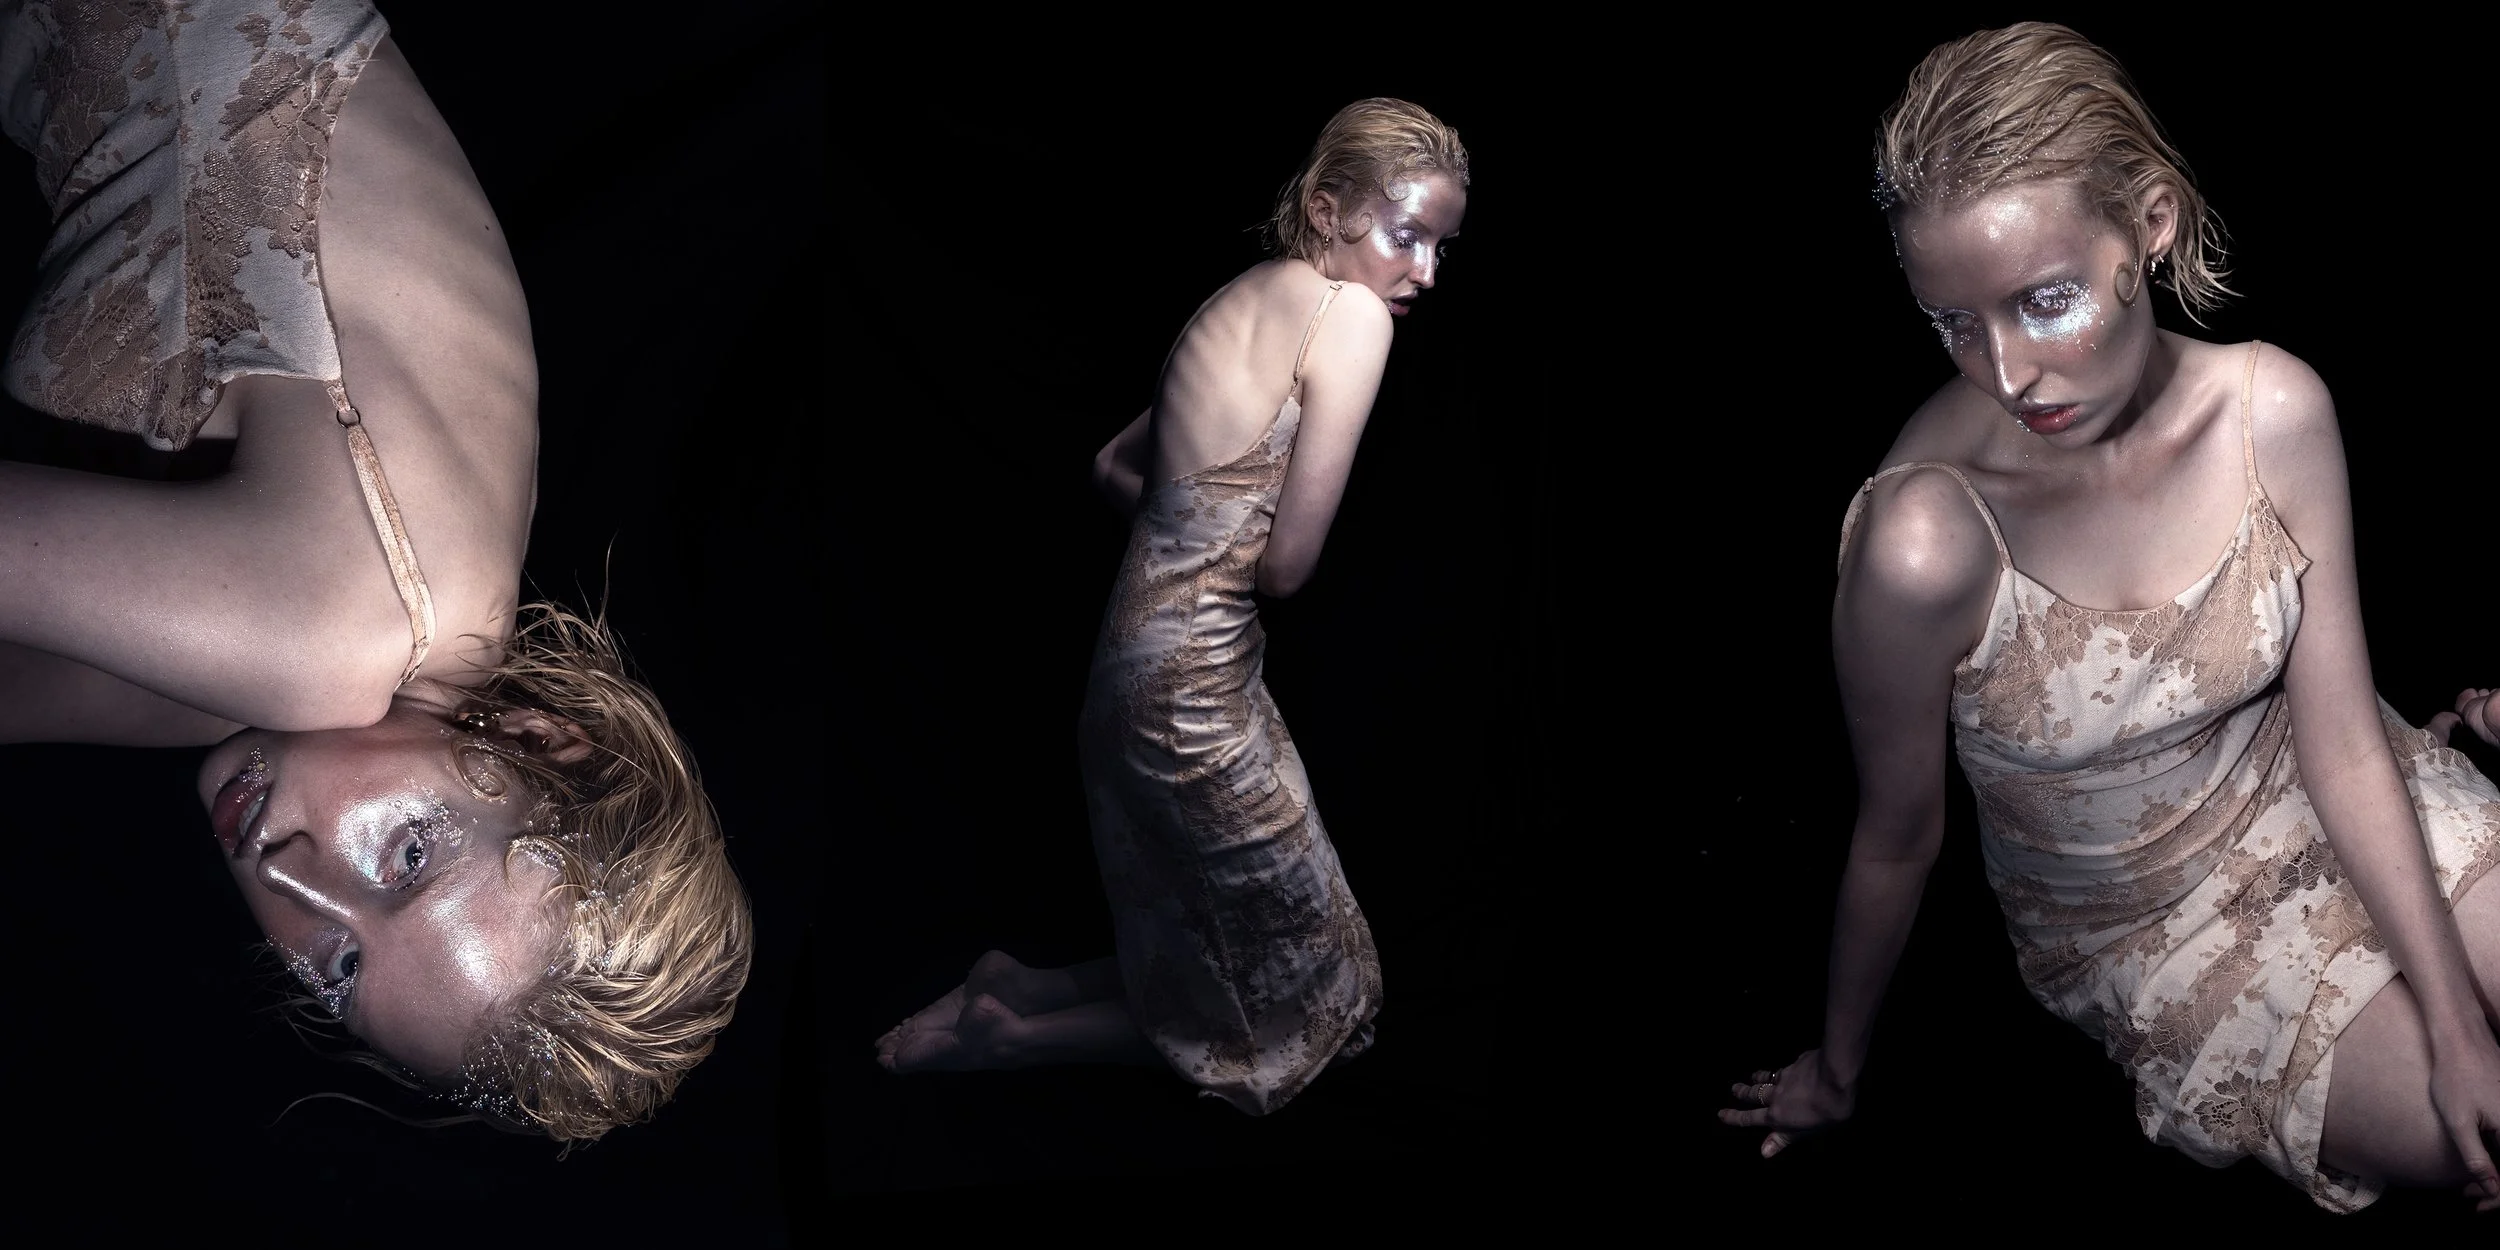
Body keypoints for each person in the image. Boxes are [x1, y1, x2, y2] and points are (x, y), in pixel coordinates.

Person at [1717, 22, 2500, 1213]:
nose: (2006, 369)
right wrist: (1835, 1068)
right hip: (2150, 925)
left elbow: (2338, 738)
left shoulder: (2271, 411)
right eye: (1951, 323)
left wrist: (2454, 1022)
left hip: (2324, 787)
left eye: (2043, 301)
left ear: (2151, 225)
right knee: (2479, 1140)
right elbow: (1895, 833)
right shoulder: (1922, 543)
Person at [0, 0, 750, 1141]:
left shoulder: (327, 685)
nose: (292, 878)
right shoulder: (339, 637)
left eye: (341, 968)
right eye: (406, 857)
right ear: (541, 741)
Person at [873, 97, 1468, 1114]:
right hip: (1191, 693)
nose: (1423, 272)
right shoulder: (1350, 317)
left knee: (1227, 941)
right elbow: (1285, 568)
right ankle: (1008, 1037)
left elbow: (1113, 464)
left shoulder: (1237, 301)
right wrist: (1222, 548)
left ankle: (1019, 983)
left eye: (1443, 246)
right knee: (1321, 1000)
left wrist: (1190, 536)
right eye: (1404, 235)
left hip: (1129, 674)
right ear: (1327, 209)